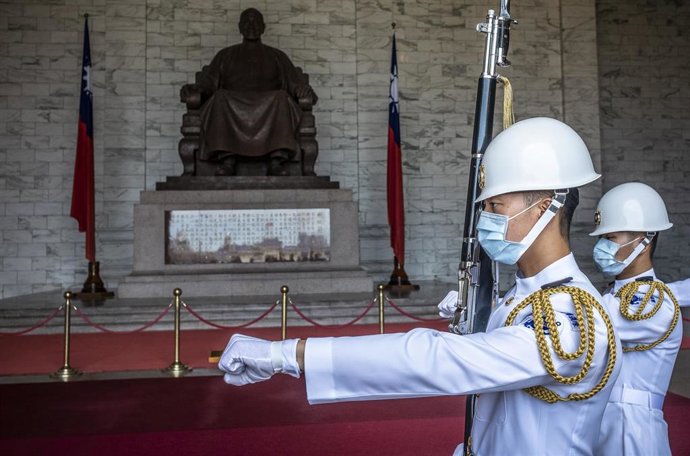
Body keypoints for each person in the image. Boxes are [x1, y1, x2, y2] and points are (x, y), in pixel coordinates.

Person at [219, 117, 621, 455]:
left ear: (547, 206)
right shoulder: (526, 297)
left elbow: (437, 360)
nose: (486, 219)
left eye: (496, 206)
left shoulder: (574, 318)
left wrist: (288, 353)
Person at [590, 182, 682, 456]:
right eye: (601, 238)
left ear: (644, 241)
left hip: (632, 428)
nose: (601, 246)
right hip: (601, 419)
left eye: (611, 237)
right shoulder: (614, 295)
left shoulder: (654, 305)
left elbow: (592, 323)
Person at [180, 8, 317, 176]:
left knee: (281, 97)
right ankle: (227, 158)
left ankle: (277, 159)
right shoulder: (225, 55)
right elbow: (209, 83)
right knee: (220, 96)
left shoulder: (277, 56)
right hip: (231, 103)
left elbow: (294, 83)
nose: (251, 25)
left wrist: (301, 89)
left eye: (255, 22)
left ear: (263, 27)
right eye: (246, 22)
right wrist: (197, 88)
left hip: (271, 104)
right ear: (239, 27)